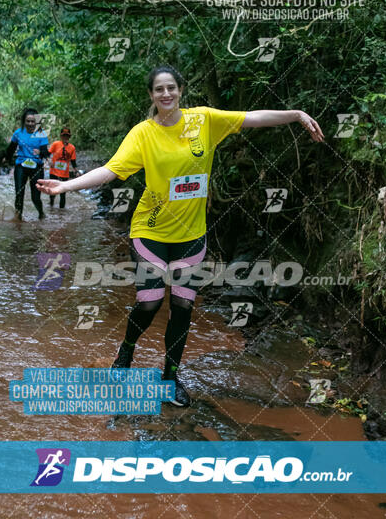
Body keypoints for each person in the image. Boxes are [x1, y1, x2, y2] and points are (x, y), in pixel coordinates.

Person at [36, 65, 324, 407]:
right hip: (150, 230)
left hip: (192, 233)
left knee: (184, 305)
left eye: (171, 88)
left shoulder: (204, 120)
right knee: (151, 300)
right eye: (159, 90)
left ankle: (170, 378)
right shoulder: (143, 133)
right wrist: (66, 184)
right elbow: (111, 170)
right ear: (151, 95)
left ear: (181, 90)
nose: (166, 94)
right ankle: (125, 354)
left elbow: (252, 118)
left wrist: (296, 114)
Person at [4, 107, 50, 220]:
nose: (30, 124)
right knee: (19, 193)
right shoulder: (18, 133)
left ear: (37, 122)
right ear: (24, 122)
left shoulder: (42, 134)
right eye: (28, 121)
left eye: (32, 121)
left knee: (35, 197)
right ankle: (18, 218)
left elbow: (46, 153)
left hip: (37, 167)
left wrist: (41, 152)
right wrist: (6, 158)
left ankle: (41, 213)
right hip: (21, 166)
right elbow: (11, 148)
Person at [48, 127, 78, 208]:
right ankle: (51, 205)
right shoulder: (55, 144)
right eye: (64, 135)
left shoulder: (72, 147)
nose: (65, 137)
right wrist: (49, 160)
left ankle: (61, 212)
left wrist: (76, 170)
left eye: (67, 136)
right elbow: (48, 154)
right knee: (52, 192)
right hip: (53, 172)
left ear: (69, 137)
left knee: (63, 194)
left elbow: (73, 160)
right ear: (61, 136)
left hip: (64, 174)